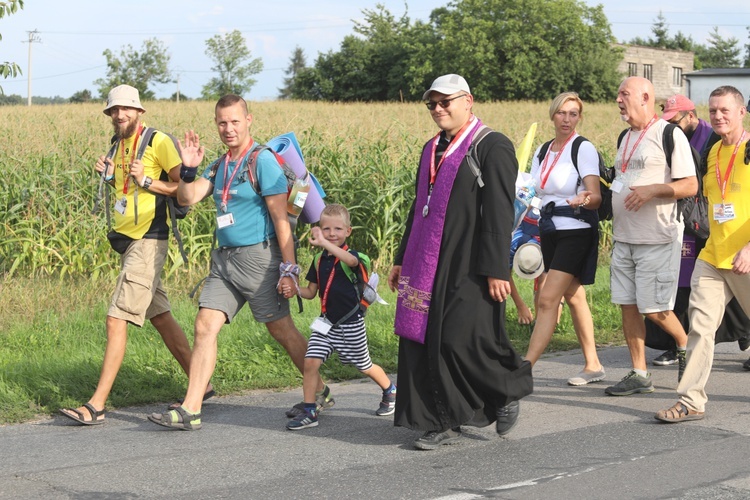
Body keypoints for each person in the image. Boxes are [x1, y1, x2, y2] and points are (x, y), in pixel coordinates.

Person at [148, 94, 328, 431]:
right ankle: (191, 408)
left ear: (248, 120)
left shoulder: (263, 161)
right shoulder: (218, 165)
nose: (228, 129)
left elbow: (281, 220)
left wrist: (289, 270)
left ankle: (318, 389)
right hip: (225, 262)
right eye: (221, 122)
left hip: (262, 260)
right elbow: (187, 197)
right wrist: (187, 170)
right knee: (204, 325)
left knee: (283, 331)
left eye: (234, 121)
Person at [388, 74, 533, 450]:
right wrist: (402, 258)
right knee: (423, 339)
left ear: (468, 101)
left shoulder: (491, 145)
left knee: (461, 340)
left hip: (470, 261)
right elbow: (418, 207)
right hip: (427, 259)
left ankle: (506, 390)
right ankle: (442, 421)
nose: (438, 109)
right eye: (432, 104)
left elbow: (500, 211)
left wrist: (497, 268)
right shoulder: (430, 149)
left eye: (445, 101)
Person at [59, 85, 208, 425]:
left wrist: (147, 182)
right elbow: (128, 189)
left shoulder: (158, 142)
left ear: (140, 111)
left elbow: (183, 192)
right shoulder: (118, 144)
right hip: (129, 242)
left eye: (126, 109)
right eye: (114, 110)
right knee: (161, 317)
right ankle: (204, 385)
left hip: (149, 240)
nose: (120, 115)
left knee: (116, 319)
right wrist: (111, 177)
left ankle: (96, 406)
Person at [655, 85, 750, 422]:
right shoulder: (712, 152)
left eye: (725, 110)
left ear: (742, 112)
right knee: (699, 326)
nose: (718, 116)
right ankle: (691, 400)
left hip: (746, 257)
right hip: (714, 256)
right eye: (713, 110)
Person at [604, 77, 698, 396]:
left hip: (658, 237)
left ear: (645, 97)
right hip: (624, 238)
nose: (617, 99)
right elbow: (622, 180)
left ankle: (686, 345)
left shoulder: (669, 134)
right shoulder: (624, 136)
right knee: (627, 305)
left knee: (654, 309)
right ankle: (639, 372)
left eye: (624, 94)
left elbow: (690, 185)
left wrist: (653, 190)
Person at [285, 204, 396, 430]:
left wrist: (324, 243)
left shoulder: (355, 257)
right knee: (310, 363)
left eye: (337, 229)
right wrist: (295, 289)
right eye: (326, 229)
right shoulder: (318, 261)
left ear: (348, 231)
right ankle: (309, 411)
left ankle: (390, 390)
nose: (331, 234)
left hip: (351, 324)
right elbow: (311, 292)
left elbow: (352, 263)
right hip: (326, 323)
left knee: (363, 365)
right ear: (319, 229)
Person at [523, 92, 606, 387]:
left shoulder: (583, 149)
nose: (567, 119)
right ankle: (593, 364)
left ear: (579, 118)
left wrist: (583, 198)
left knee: (547, 299)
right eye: (562, 113)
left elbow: (595, 197)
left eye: (573, 114)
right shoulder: (544, 150)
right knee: (573, 295)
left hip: (577, 230)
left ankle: (524, 368)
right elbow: (532, 189)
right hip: (549, 229)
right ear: (552, 115)